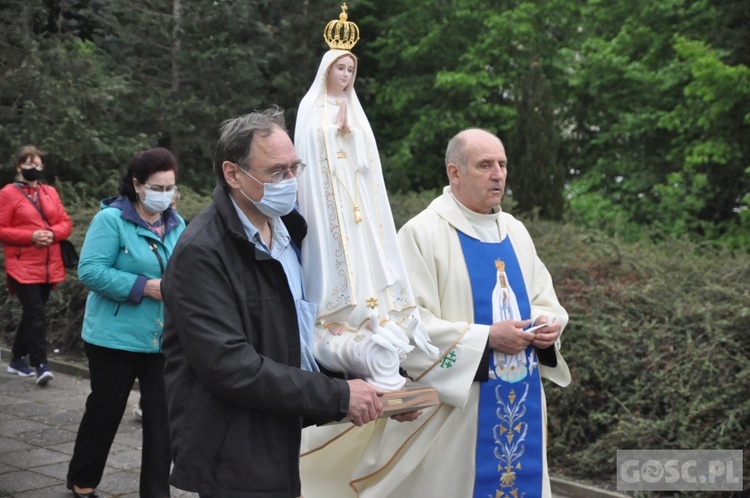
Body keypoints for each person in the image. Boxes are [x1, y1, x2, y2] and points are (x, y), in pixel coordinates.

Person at [299, 128, 571, 497]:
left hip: (520, 397)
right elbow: (408, 323)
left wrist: (546, 324)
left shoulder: (516, 231)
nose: (498, 174)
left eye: (503, 165)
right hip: (458, 412)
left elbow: (544, 299)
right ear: (454, 173)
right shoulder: (422, 234)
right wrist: (487, 338)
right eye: (485, 165)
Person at [160, 107, 384, 498]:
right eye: (276, 172)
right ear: (232, 174)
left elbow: (298, 342)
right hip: (233, 447)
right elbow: (231, 366)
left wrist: (377, 385)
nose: (291, 182)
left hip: (284, 432)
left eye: (295, 169)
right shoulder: (202, 252)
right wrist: (340, 396)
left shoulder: (292, 234)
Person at [294, 5, 436, 393]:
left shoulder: (355, 109)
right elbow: (307, 148)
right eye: (340, 68)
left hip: (356, 200)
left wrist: (351, 133)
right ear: (327, 70)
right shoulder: (312, 107)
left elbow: (368, 160)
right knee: (335, 252)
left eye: (350, 70)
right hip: (327, 203)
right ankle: (335, 315)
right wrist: (333, 130)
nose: (345, 75)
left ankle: (372, 312)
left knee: (363, 251)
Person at [66, 147, 186, 498]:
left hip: (161, 339)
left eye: (171, 188)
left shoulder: (177, 223)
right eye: (158, 187)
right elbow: (89, 270)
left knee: (162, 422)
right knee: (105, 414)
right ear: (137, 184)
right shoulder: (111, 220)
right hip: (113, 339)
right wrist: (141, 287)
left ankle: (155, 492)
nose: (166, 195)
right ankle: (82, 483)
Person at [0, 145, 73, 385]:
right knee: (36, 314)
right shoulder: (8, 194)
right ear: (19, 166)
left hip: (49, 264)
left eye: (39, 164)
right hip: (21, 265)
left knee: (33, 313)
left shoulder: (50, 192)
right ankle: (41, 364)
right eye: (30, 164)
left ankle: (17, 359)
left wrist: (51, 233)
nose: (35, 168)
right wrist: (30, 236)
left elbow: (65, 222)